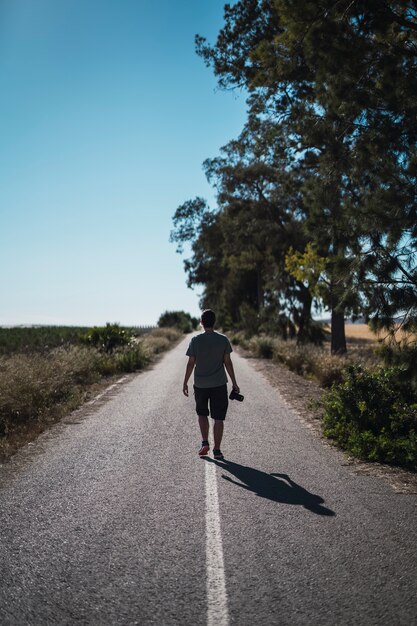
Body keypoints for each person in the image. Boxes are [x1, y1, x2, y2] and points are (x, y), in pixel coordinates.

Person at [183, 309, 240, 460]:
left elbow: (190, 364)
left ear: (201, 322)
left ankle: (204, 442)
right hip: (219, 385)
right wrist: (234, 383)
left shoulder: (195, 341)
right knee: (218, 418)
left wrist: (185, 382)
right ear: (214, 322)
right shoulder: (223, 340)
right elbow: (228, 363)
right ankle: (217, 450)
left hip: (200, 385)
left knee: (202, 414)